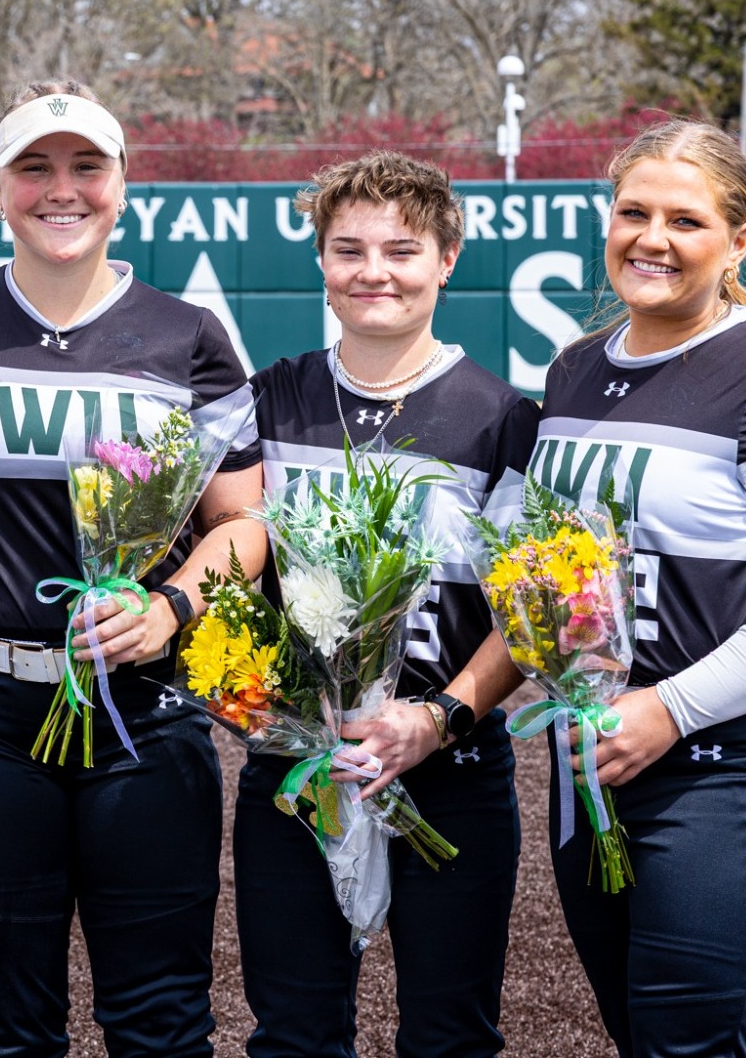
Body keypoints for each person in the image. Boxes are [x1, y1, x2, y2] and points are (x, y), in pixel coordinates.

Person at [0, 80, 264, 1056]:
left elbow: (242, 519)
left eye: (86, 166)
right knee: (5, 1024)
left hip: (145, 703)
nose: (63, 189)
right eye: (35, 167)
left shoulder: (188, 336)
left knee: (161, 1017)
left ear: (123, 185)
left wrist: (173, 606)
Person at [535, 118, 746, 1057]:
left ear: (737, 244)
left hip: (727, 770)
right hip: (592, 762)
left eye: (685, 220)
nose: (652, 238)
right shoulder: (574, 370)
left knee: (691, 1044)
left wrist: (672, 709)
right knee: (640, 1036)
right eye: (632, 212)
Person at [237, 151, 535, 1057]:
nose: (374, 272)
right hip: (299, 774)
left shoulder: (504, 417)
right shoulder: (269, 400)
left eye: (402, 250)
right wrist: (263, 707)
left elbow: (530, 618)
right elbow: (225, 571)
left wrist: (440, 718)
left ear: (446, 260)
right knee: (292, 1034)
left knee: (449, 1036)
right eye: (348, 249)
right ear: (321, 264)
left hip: (452, 773)